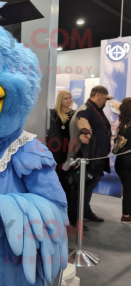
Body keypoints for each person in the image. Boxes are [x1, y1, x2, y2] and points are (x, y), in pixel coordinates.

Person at [64, 86, 113, 231]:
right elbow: (82, 121)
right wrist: (85, 132)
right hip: (85, 157)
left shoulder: (96, 109)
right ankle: (73, 218)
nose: (107, 101)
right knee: (79, 187)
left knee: (90, 186)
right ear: (98, 95)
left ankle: (85, 211)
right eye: (105, 98)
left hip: (97, 157)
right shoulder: (85, 109)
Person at [47, 90, 75, 207]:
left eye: (70, 98)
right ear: (60, 100)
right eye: (65, 98)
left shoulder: (75, 114)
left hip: (70, 151)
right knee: (59, 180)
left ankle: (68, 208)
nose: (69, 100)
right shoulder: (53, 114)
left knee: (69, 182)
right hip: (57, 152)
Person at [114, 97, 131, 224]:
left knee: (127, 188)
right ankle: (126, 216)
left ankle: (126, 215)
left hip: (121, 161)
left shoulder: (123, 123)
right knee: (129, 189)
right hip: (128, 161)